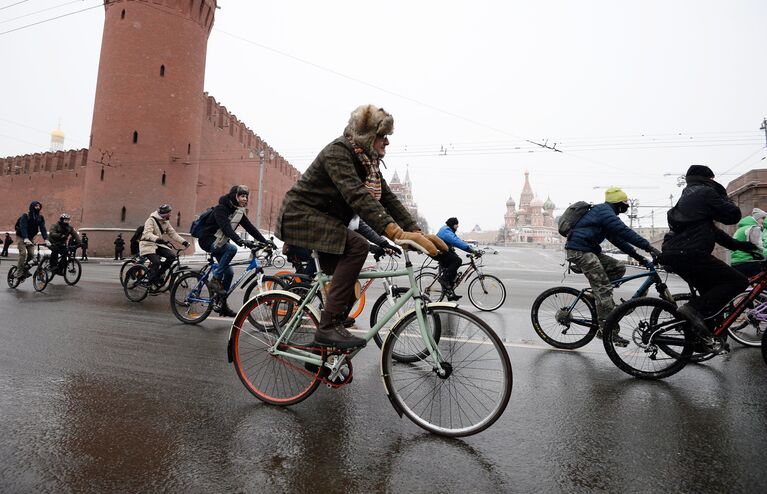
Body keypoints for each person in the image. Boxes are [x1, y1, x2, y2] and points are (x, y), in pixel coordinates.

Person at [276, 104, 447, 349]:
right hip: (301, 216)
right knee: (357, 246)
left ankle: (321, 349)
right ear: (367, 136)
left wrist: (416, 232)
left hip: (326, 220)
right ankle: (327, 327)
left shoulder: (368, 163)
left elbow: (388, 199)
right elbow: (357, 196)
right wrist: (395, 233)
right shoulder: (339, 152)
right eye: (382, 135)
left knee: (348, 280)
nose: (387, 142)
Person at [661, 165, 758, 350]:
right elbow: (733, 215)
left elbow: (713, 232)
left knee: (712, 296)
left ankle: (702, 338)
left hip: (678, 254)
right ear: (708, 179)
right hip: (691, 254)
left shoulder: (688, 196)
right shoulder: (705, 192)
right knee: (738, 282)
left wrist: (741, 246)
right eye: (712, 179)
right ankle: (691, 310)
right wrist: (721, 193)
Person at [565, 187, 661, 344]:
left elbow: (619, 241)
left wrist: (640, 258)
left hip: (588, 250)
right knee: (604, 290)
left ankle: (599, 296)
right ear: (618, 203)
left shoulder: (605, 215)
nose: (626, 207)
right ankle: (608, 332)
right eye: (625, 203)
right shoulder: (604, 212)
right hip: (579, 251)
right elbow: (624, 232)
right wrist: (649, 247)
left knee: (618, 268)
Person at [195, 185, 272, 317]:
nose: (245, 198)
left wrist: (266, 242)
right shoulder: (221, 209)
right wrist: (239, 240)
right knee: (231, 248)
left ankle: (222, 305)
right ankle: (215, 280)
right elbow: (226, 228)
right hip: (207, 240)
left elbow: (250, 228)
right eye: (242, 195)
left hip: (220, 242)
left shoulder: (238, 211)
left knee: (229, 273)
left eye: (246, 196)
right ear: (234, 196)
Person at [139, 204, 189, 288]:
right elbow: (147, 233)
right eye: (169, 213)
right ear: (164, 214)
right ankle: (150, 282)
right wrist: (157, 238)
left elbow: (173, 233)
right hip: (147, 244)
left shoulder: (166, 222)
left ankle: (158, 274)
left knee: (172, 256)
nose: (170, 215)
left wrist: (183, 241)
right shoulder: (150, 220)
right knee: (156, 262)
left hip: (157, 244)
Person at [436, 217, 481, 301]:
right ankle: (443, 279)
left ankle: (450, 294)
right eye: (457, 224)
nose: (458, 226)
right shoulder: (446, 231)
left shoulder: (448, 230)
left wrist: (471, 249)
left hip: (444, 251)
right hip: (440, 252)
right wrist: (471, 250)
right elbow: (457, 242)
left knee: (453, 272)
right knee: (458, 261)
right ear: (453, 224)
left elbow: (458, 240)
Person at [14, 201, 50, 277]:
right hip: (21, 236)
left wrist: (46, 239)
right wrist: (25, 238)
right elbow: (23, 227)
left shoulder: (40, 217)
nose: (38, 208)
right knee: (23, 253)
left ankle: (25, 268)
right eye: (36, 206)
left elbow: (43, 228)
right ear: (32, 206)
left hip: (30, 238)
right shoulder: (25, 216)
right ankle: (19, 272)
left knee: (31, 254)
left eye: (39, 206)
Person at [729, 207, 767, 278]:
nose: (764, 221)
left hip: (736, 262)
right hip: (746, 261)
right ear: (757, 219)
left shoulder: (743, 228)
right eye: (763, 218)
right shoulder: (754, 228)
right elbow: (759, 249)